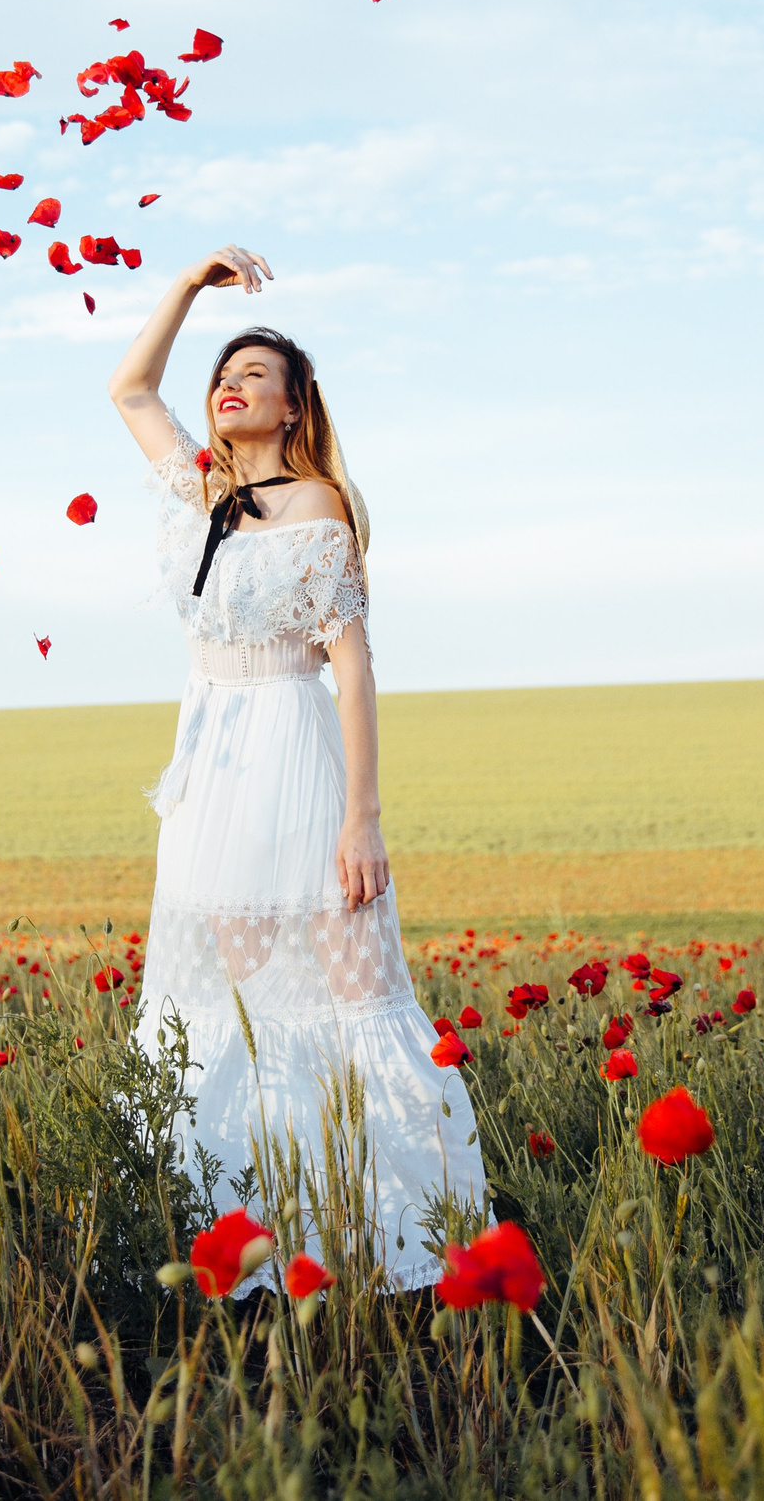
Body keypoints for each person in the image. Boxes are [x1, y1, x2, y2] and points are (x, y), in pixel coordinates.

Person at [107, 244, 483, 1295]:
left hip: (290, 746)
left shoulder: (319, 505)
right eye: (223, 373)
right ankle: (244, 1246)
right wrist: (187, 286)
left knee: (347, 992)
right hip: (209, 768)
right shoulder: (199, 491)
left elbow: (351, 669)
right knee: (231, 1009)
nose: (229, 384)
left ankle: (388, 1246)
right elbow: (129, 387)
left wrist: (362, 817)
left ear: (292, 405)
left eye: (254, 375)